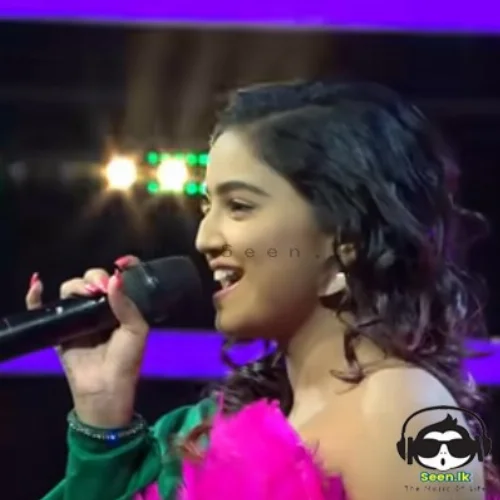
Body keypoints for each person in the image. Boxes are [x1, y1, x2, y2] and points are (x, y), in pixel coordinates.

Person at [27, 80, 497, 500]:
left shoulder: (414, 413)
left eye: (239, 206)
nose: (204, 238)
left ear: (347, 241)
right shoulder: (208, 431)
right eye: (206, 205)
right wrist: (102, 420)